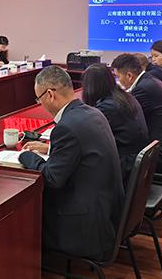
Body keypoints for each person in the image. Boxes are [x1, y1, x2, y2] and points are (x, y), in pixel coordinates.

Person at [18, 66, 123, 261]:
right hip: (107, 211)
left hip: (85, 226)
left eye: (38, 99)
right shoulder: (92, 112)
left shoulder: (66, 127)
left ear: (50, 95)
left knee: (19, 216)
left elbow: (52, 179)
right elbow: (79, 151)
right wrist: (50, 149)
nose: (40, 104)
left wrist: (27, 157)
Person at [111, 53, 162, 173]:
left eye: (118, 77)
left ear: (129, 75)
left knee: (114, 158)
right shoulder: (148, 80)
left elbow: (127, 119)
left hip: (161, 154)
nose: (118, 81)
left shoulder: (143, 89)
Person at [81, 64, 149, 186]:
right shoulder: (124, 97)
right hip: (135, 165)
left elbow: (86, 141)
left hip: (124, 170)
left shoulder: (107, 108)